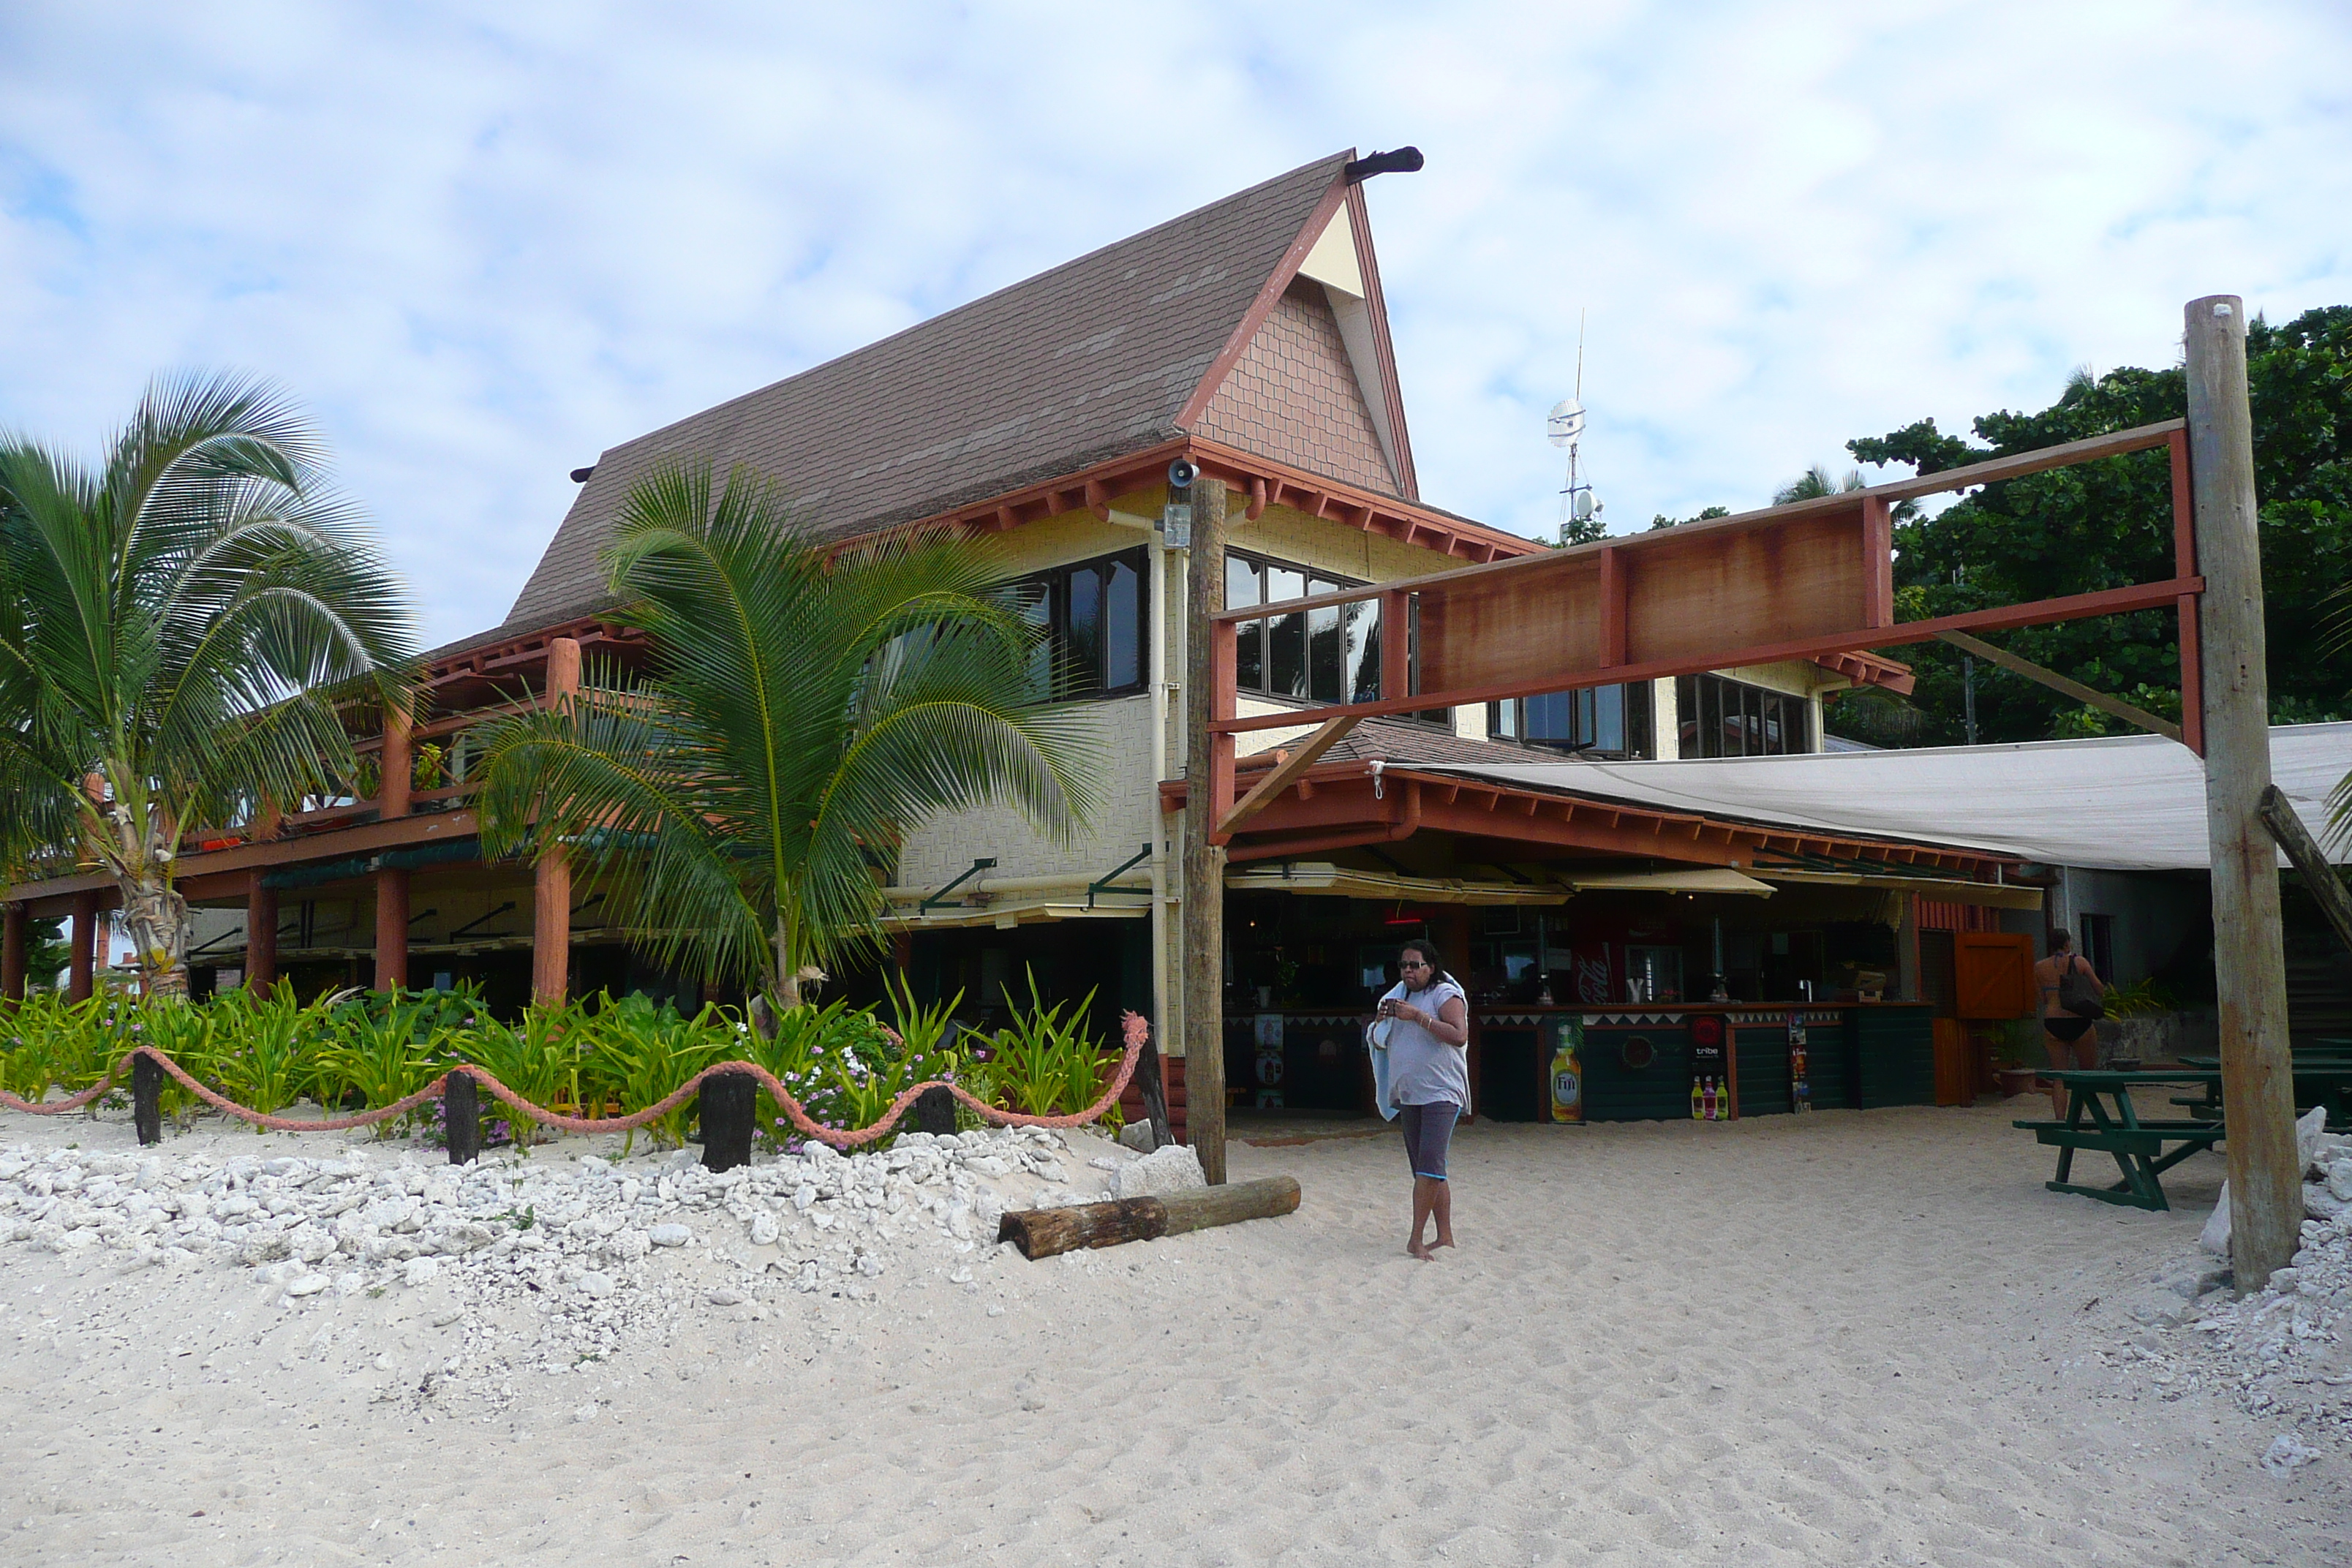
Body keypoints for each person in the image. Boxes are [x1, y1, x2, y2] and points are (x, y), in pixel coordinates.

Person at [1375, 938, 1470, 1260]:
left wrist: (1418, 1017)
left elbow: (1459, 1036)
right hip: (1410, 1093)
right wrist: (1382, 1021)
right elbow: (1380, 1039)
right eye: (1404, 965)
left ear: (1431, 967)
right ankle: (1444, 1235)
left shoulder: (1444, 994)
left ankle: (1416, 1239)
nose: (1409, 971)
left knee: (1430, 1168)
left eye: (1416, 965)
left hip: (1441, 1092)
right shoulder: (1398, 997)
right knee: (1426, 1170)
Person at [2033, 929, 2105, 1117]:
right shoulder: (2079, 962)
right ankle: (2084, 1116)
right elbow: (2099, 989)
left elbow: (2042, 998)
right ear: (2067, 944)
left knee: (2059, 1077)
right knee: (2087, 1075)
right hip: (2078, 1020)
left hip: (2053, 1021)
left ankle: (2060, 1120)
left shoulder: (2039, 967)